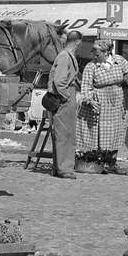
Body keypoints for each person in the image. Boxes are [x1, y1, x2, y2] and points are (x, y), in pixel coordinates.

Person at [76, 39, 128, 166]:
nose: (95, 56)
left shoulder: (119, 60)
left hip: (116, 100)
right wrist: (90, 101)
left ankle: (112, 161)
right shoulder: (91, 66)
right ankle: (98, 161)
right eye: (94, 53)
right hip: (99, 100)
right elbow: (86, 86)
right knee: (99, 130)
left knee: (115, 129)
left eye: (97, 53)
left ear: (106, 52)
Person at [47, 29, 82, 179]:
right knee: (64, 133)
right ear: (78, 42)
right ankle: (64, 168)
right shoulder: (64, 57)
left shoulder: (66, 56)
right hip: (64, 97)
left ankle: (61, 166)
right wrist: (66, 96)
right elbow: (59, 81)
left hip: (68, 95)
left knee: (66, 132)